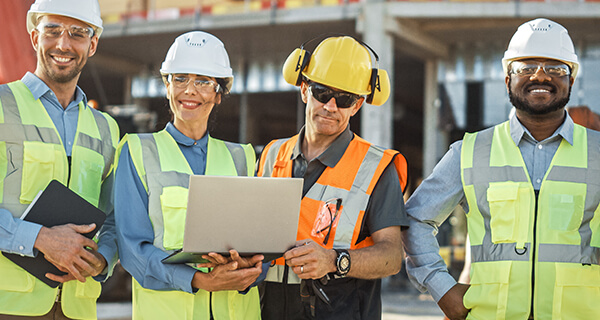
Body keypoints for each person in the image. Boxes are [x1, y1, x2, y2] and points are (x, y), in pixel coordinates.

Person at [402, 18, 600, 320]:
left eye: (555, 69)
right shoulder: (468, 152)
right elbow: (416, 218)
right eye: (526, 67)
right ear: (508, 79)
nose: (540, 76)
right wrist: (442, 289)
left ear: (571, 80)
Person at [257, 35, 409, 320]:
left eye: (344, 98)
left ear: (358, 105)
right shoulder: (271, 154)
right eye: (322, 92)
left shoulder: (377, 167)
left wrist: (333, 260)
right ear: (304, 90)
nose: (330, 106)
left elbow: (392, 257)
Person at [114, 31, 263, 320]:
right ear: (167, 86)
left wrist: (247, 271)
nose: (190, 91)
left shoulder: (242, 158)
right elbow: (133, 251)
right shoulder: (138, 152)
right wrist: (200, 281)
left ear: (219, 94)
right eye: (180, 78)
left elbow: (261, 248)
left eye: (204, 81)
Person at [0, 0, 120, 318]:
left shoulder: (106, 128)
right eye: (52, 30)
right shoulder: (1, 105)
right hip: (8, 306)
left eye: (77, 33)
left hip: (77, 307)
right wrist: (39, 238)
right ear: (35, 38)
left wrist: (103, 257)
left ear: (92, 44)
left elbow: (113, 215)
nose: (63, 44)